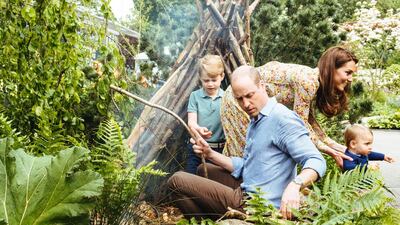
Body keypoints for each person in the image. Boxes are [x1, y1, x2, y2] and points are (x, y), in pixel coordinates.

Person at [168, 66, 326, 220]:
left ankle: (209, 220)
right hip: (250, 186)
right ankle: (209, 219)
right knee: (202, 169)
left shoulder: (282, 118)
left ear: (262, 87)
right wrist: (209, 153)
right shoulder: (256, 119)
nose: (246, 104)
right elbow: (248, 166)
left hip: (257, 205)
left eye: (250, 95)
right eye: (239, 99)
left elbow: (316, 161)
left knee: (177, 180)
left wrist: (295, 185)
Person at [221, 46, 358, 168]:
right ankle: (238, 194)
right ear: (332, 68)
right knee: (247, 154)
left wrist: (335, 146)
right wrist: (328, 150)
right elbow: (301, 124)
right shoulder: (308, 82)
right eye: (348, 72)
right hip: (238, 98)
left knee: (247, 154)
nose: (351, 79)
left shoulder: (314, 81)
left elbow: (309, 121)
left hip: (248, 99)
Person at [185, 55, 226, 174]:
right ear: (200, 78)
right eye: (206, 80)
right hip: (197, 147)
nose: (210, 84)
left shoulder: (226, 98)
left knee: (214, 181)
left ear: (222, 76)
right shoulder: (195, 96)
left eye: (214, 80)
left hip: (219, 149)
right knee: (192, 178)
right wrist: (198, 129)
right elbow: (191, 122)